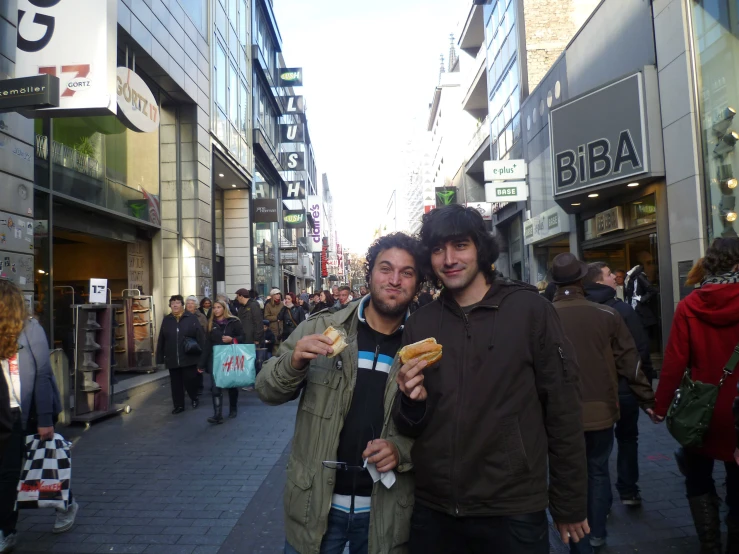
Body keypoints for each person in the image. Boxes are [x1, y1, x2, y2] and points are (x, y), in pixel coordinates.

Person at [393, 205, 589, 554]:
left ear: (481, 248)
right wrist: (410, 401)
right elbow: (409, 426)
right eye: (438, 249)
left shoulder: (530, 310)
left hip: (511, 508)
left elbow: (563, 409)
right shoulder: (421, 324)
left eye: (460, 245)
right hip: (434, 510)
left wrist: (569, 502)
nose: (449, 258)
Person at [258, 232, 423, 554]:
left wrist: (401, 451)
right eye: (385, 269)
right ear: (370, 273)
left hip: (387, 515)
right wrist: (292, 363)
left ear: (418, 284)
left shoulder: (422, 348)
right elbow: (266, 390)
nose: (394, 280)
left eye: (407, 273)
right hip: (314, 509)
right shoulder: (320, 329)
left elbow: (441, 426)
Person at [550, 253, 655, 551]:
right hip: (600, 411)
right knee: (596, 470)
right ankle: (595, 532)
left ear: (556, 282)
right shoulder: (607, 315)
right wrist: (647, 399)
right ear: (582, 279)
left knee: (566, 473)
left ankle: (575, 537)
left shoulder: (544, 316)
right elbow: (630, 363)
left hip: (558, 415)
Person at [653, 238, 739, 553]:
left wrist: (660, 407)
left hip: (701, 410)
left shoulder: (690, 304)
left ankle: (710, 543)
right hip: (737, 412)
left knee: (698, 476)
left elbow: (674, 362)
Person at [0, 279, 75, 553]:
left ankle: (66, 505)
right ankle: (7, 530)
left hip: (31, 411)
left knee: (45, 464)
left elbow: (44, 374)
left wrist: (45, 419)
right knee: (8, 474)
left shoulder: (31, 329)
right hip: (4, 413)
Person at [583, 262, 655, 507]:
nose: (615, 276)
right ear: (598, 280)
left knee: (596, 449)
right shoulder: (621, 310)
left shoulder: (579, 310)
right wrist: (645, 388)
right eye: (609, 273)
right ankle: (628, 491)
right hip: (623, 388)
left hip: (592, 391)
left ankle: (600, 502)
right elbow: (640, 349)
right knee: (626, 439)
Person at [156, 295, 206, 414]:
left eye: (177, 302)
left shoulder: (191, 318)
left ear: (182, 305)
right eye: (173, 303)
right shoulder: (167, 320)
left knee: (190, 381)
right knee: (176, 384)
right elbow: (161, 339)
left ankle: (194, 397)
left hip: (188, 357)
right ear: (170, 305)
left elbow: (200, 337)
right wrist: (160, 357)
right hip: (172, 357)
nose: (175, 305)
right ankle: (178, 405)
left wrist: (203, 357)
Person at [199, 300, 245, 423]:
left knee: (231, 385)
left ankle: (233, 408)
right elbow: (207, 344)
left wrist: (232, 339)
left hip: (230, 356)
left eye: (218, 307)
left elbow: (243, 337)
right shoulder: (211, 323)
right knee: (215, 387)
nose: (216, 310)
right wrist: (201, 364)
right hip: (215, 358)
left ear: (224, 308)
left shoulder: (234, 322)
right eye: (214, 307)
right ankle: (217, 414)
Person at [186, 296, 208, 395]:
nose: (190, 305)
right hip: (186, 345)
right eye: (188, 303)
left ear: (196, 305)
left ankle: (199, 386)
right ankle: (188, 387)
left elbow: (206, 331)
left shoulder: (201, 317)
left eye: (192, 303)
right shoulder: (183, 316)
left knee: (198, 366)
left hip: (198, 345)